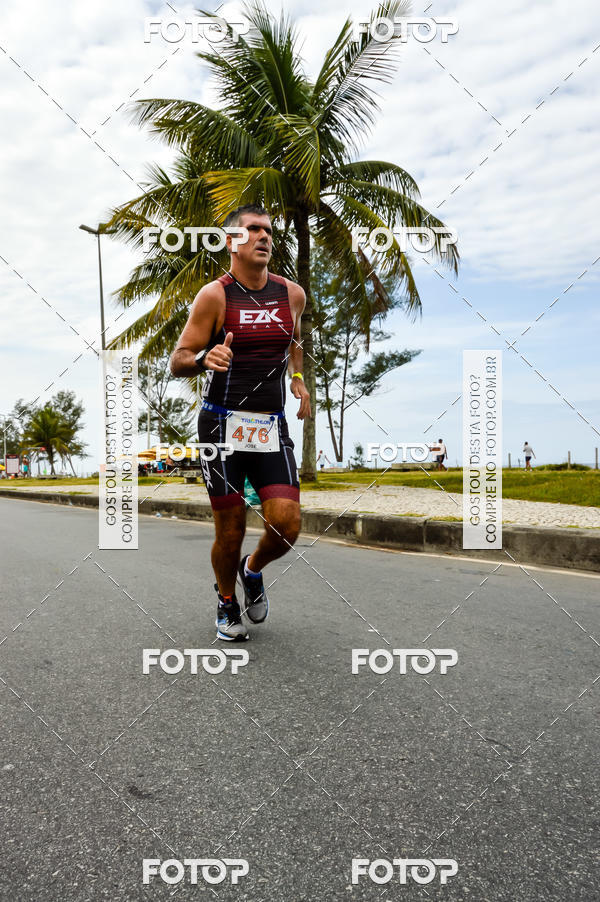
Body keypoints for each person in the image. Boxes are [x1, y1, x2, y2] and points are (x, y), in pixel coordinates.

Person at [170, 204, 311, 641]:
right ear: (231, 242)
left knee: (287, 524)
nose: (264, 236)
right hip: (221, 425)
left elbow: (295, 340)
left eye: (268, 230)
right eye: (253, 230)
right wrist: (203, 357)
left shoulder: (292, 295)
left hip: (270, 424)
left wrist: (298, 379)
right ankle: (227, 601)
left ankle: (252, 570)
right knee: (230, 530)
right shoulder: (215, 296)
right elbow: (178, 359)